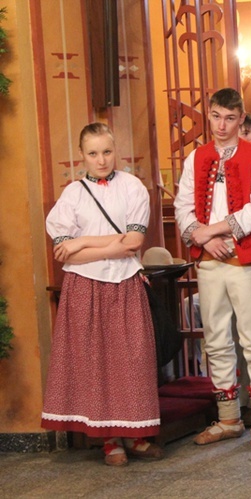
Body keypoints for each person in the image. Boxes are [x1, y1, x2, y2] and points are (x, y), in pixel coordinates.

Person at [43, 122, 163, 466]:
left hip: (125, 283)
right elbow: (65, 252)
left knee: (132, 361)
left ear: (117, 151)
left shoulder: (133, 188)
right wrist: (110, 245)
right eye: (93, 153)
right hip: (84, 285)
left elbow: (135, 241)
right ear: (82, 156)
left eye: (107, 152)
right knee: (96, 362)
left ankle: (137, 435)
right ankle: (109, 440)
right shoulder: (72, 195)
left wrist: (82, 241)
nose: (101, 160)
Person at [174, 87, 251, 449]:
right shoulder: (196, 157)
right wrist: (203, 240)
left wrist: (215, 231)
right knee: (216, 339)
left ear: (240, 118)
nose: (222, 125)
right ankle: (229, 418)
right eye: (216, 116)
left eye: (230, 118)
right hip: (208, 260)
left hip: (243, 256)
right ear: (210, 115)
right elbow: (182, 206)